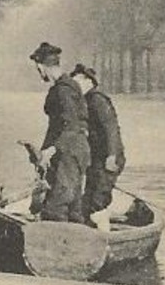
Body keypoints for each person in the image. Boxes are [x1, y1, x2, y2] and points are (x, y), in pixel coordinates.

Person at [30, 41, 89, 223]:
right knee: (73, 206)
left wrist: (51, 150)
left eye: (37, 68)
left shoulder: (63, 90)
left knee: (56, 207)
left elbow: (71, 125)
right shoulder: (66, 87)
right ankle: (77, 243)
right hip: (71, 152)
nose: (39, 73)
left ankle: (58, 246)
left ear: (41, 67)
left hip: (69, 154)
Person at [72, 64, 125, 227]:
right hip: (96, 160)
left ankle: (104, 240)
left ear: (89, 81)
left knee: (97, 203)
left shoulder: (97, 100)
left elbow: (111, 128)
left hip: (109, 159)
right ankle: (89, 233)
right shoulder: (84, 101)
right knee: (87, 200)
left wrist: (111, 156)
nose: (75, 85)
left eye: (78, 81)